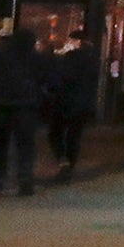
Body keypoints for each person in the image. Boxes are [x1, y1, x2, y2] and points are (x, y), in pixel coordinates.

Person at [0, 28, 45, 196]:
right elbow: (48, 80)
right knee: (25, 144)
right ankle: (25, 179)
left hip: (0, 105)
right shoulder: (36, 59)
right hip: (26, 106)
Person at [45, 28, 99, 180]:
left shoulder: (69, 58)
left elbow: (61, 78)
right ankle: (71, 162)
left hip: (66, 101)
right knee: (74, 134)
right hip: (84, 102)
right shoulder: (92, 58)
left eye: (70, 40)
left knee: (56, 131)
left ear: (77, 42)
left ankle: (63, 161)